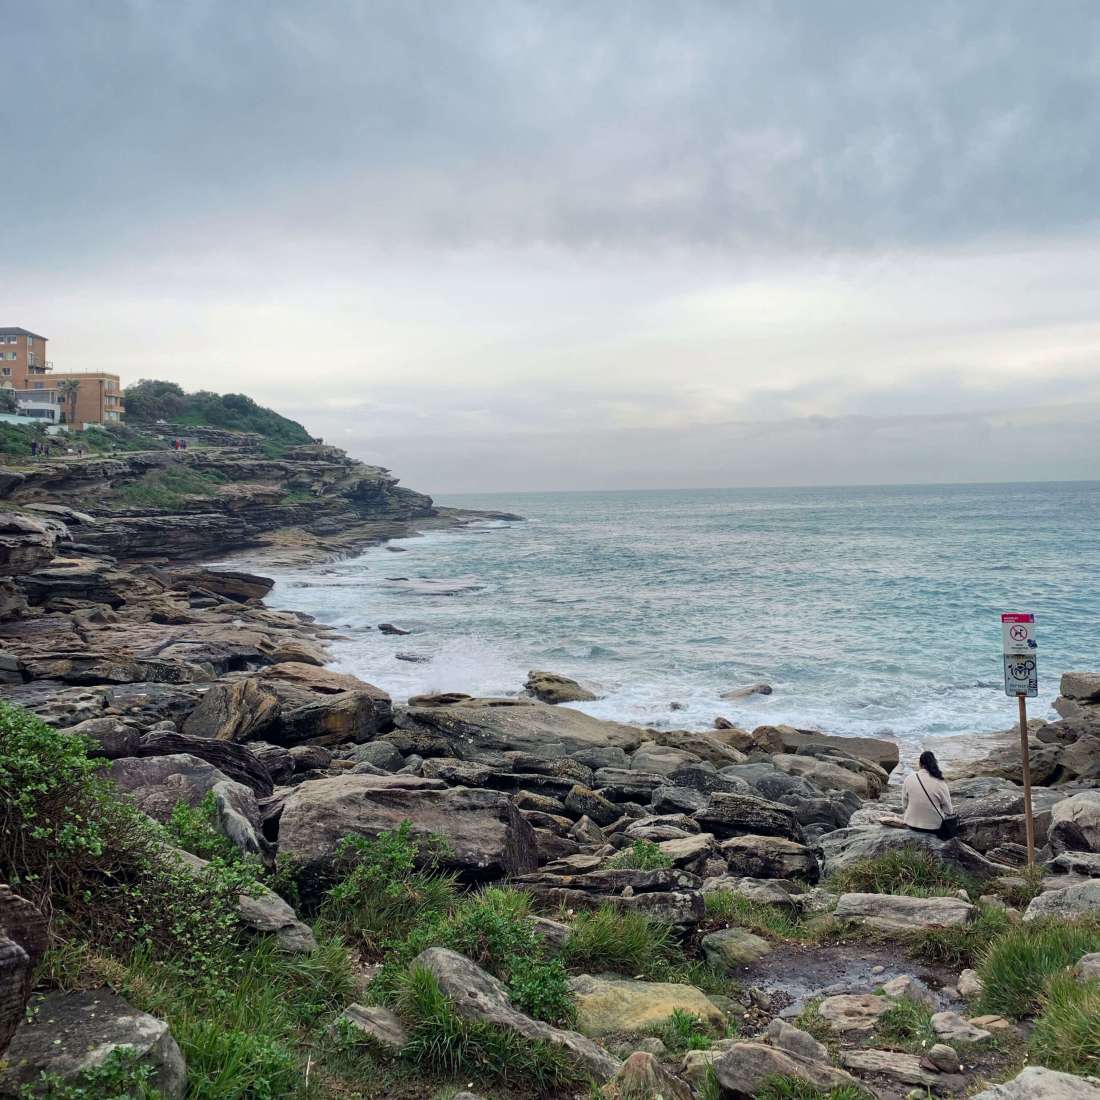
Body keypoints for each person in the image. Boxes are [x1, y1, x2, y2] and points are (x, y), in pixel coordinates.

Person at [902, 750, 953, 833]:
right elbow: (949, 811)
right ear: (934, 763)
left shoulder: (908, 779)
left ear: (920, 764)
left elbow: (904, 805)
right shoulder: (940, 783)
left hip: (911, 824)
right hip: (934, 827)